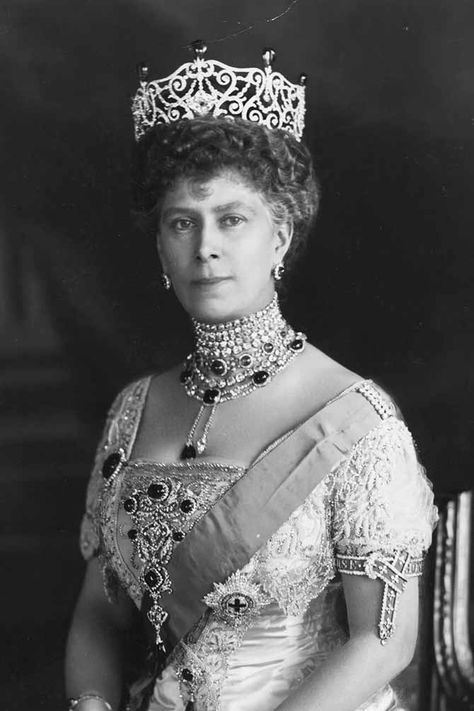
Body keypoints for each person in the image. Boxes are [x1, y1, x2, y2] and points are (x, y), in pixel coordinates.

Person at [65, 43, 438, 711]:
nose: (205, 246)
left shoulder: (354, 416)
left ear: (281, 236)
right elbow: (100, 614)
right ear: (160, 247)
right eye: (182, 223)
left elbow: (384, 642)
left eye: (232, 219)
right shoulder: (133, 409)